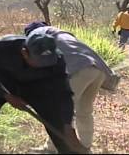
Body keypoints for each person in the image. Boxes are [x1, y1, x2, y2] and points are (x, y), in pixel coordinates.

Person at [0, 32, 87, 154]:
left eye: (48, 61)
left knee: (62, 132)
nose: (44, 65)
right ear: (24, 52)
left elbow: (64, 93)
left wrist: (67, 125)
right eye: (40, 61)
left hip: (38, 88)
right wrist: (6, 95)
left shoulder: (57, 60)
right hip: (1, 83)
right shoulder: (2, 48)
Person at [24, 22, 120, 153]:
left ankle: (52, 148)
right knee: (84, 110)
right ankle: (85, 147)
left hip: (78, 69)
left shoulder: (36, 34)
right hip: (97, 69)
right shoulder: (62, 34)